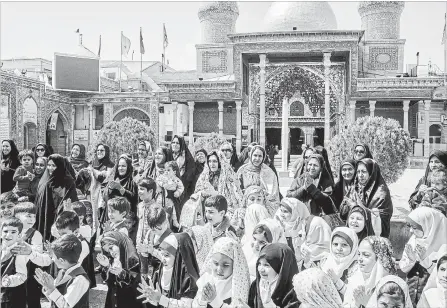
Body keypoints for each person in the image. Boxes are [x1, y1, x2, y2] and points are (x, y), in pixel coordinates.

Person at [399, 207, 447, 305]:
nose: (411, 231)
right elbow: (403, 268)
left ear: (429, 226)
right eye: (410, 226)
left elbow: (441, 275)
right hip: (411, 296)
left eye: (415, 227)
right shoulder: (413, 242)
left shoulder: (443, 247)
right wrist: (411, 261)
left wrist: (426, 261)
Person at [137, 233, 200, 307]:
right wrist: (153, 297)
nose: (163, 259)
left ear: (178, 256)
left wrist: (161, 299)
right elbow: (159, 301)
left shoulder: (189, 279)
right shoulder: (160, 272)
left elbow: (188, 306)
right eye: (162, 254)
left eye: (166, 255)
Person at [34, 234, 90, 308]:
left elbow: (65, 306)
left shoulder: (80, 279)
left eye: (53, 257)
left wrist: (51, 288)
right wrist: (47, 286)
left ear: (61, 260)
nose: (53, 259)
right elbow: (54, 300)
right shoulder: (63, 272)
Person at [193, 237, 250, 307]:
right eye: (216, 263)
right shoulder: (207, 279)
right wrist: (202, 301)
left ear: (235, 265)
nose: (219, 269)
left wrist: (215, 301)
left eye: (225, 265)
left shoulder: (237, 286)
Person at [342, 236, 397, 308]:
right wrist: (356, 304)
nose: (360, 259)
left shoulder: (391, 284)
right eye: (359, 254)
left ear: (379, 258)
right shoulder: (354, 279)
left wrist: (368, 304)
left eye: (366, 255)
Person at [35, 154, 78, 241]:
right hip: (44, 215)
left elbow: (71, 199)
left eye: (53, 165)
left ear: (60, 166)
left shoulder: (68, 182)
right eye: (49, 165)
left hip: (59, 217)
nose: (50, 168)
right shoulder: (45, 179)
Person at [96, 231, 145, 308]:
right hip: (114, 301)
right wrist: (107, 266)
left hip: (130, 302)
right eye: (108, 251)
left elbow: (134, 281)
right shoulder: (111, 260)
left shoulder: (132, 259)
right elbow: (110, 282)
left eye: (111, 248)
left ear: (119, 243)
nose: (111, 253)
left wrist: (122, 273)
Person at [246, 243, 299, 308]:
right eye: (259, 264)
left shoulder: (295, 293)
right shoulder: (256, 285)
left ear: (281, 267)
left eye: (266, 265)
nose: (261, 270)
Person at [12, 202, 44, 308]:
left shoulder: (35, 234)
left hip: (31, 273)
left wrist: (27, 248)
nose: (32, 219)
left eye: (34, 216)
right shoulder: (11, 231)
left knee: (33, 300)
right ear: (17, 216)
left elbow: (38, 252)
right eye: (28, 216)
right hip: (15, 272)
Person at [351, 158, 393, 237]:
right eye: (358, 172)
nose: (360, 175)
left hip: (373, 236)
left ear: (371, 173)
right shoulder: (356, 188)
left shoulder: (381, 192)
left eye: (364, 171)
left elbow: (382, 217)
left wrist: (360, 208)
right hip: (357, 233)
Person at [194, 151, 243, 217]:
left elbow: (233, 197)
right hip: (206, 206)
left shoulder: (228, 176)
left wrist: (215, 194)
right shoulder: (205, 175)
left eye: (214, 161)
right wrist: (202, 193)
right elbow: (198, 190)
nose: (211, 164)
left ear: (220, 162)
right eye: (209, 161)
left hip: (223, 207)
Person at [138, 207, 173, 278]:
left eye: (159, 228)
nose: (156, 231)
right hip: (152, 273)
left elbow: (169, 262)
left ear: (165, 221)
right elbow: (144, 254)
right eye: (153, 229)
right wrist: (144, 251)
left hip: (165, 274)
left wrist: (152, 251)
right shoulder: (150, 233)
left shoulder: (171, 238)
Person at [321, 227, 359, 291]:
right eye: (335, 244)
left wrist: (337, 281)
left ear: (353, 247)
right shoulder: (325, 260)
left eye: (344, 245)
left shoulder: (356, 267)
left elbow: (353, 294)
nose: (339, 248)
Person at [0, 218, 28, 308]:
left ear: (19, 235)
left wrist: (10, 280)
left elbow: (22, 275)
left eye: (13, 232)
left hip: (12, 297)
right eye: (5, 231)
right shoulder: (1, 250)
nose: (8, 235)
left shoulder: (18, 252)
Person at [89, 143, 115, 231]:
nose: (99, 152)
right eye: (98, 150)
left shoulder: (110, 165)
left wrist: (95, 171)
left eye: (102, 150)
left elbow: (104, 178)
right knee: (95, 217)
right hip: (94, 193)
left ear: (106, 152)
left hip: (104, 194)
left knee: (104, 216)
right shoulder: (93, 163)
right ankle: (95, 237)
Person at [170, 135, 196, 207]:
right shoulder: (167, 156)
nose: (175, 145)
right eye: (173, 142)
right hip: (168, 192)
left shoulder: (187, 158)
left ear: (181, 145)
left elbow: (190, 175)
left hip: (183, 191)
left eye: (177, 143)